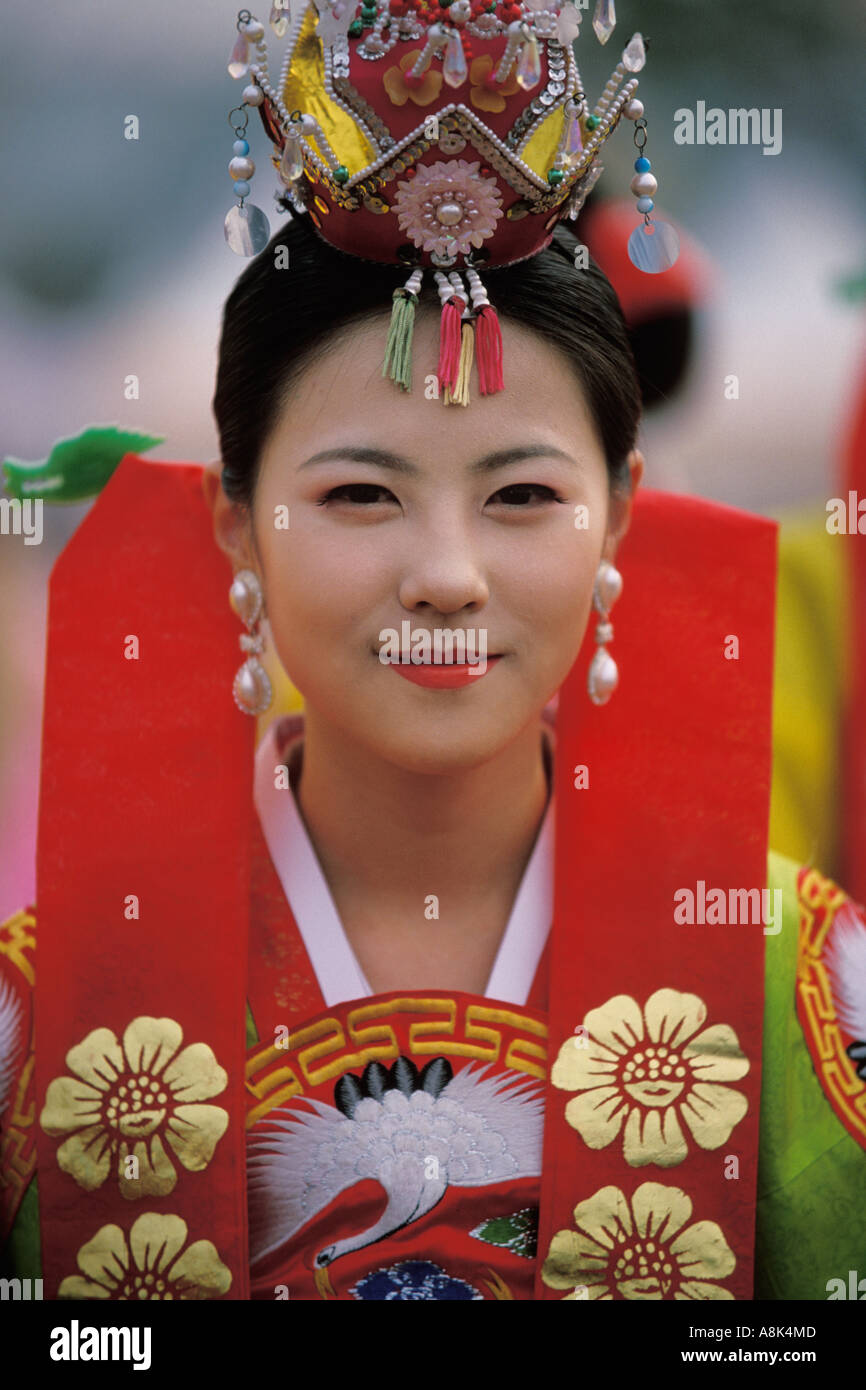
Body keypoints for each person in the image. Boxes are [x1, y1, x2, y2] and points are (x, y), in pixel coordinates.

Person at [2, 6, 865, 1302]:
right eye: (361, 494)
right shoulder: (43, 1007)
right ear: (237, 522)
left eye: (520, 495)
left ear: (620, 514)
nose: (446, 573)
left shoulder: (805, 983)